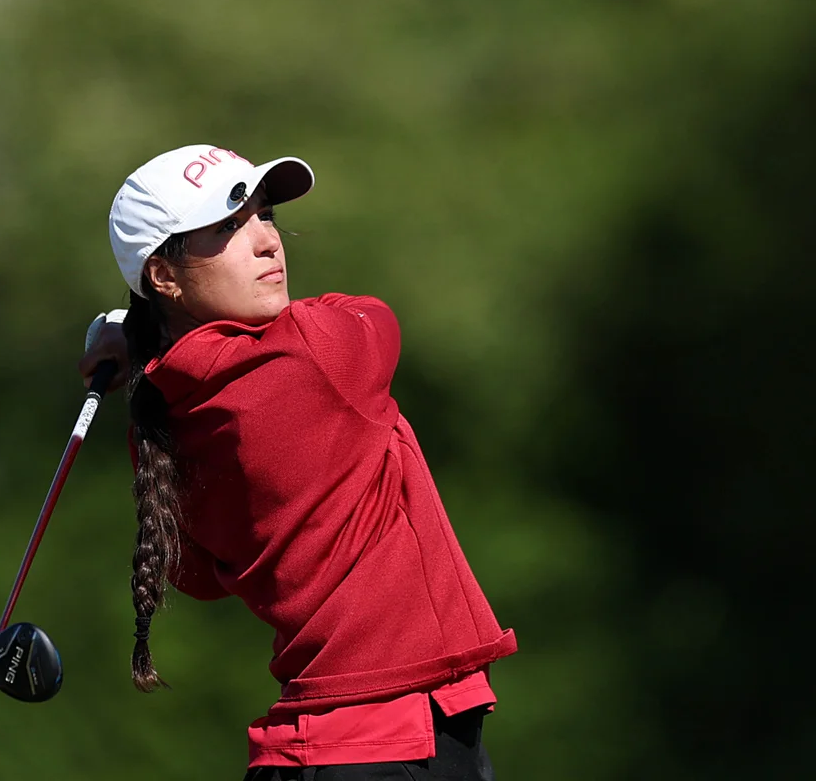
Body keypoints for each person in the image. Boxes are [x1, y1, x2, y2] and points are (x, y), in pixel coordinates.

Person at [79, 144, 517, 780]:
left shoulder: (164, 413)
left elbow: (196, 575)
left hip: (326, 752)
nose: (266, 242)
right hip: (390, 747)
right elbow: (377, 319)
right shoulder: (312, 354)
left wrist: (144, 337)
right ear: (164, 276)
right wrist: (136, 332)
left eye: (265, 215)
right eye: (229, 227)